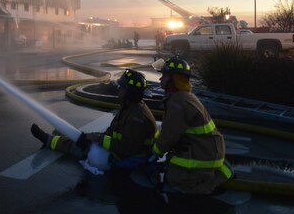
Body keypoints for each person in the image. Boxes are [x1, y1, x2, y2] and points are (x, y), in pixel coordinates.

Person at [31, 69, 157, 168]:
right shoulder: (131, 107)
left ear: (129, 92)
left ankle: (48, 140)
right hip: (123, 150)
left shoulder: (137, 118)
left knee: (80, 146)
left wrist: (98, 140)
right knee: (85, 138)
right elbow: (114, 132)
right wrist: (96, 137)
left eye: (122, 88)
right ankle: (65, 135)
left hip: (126, 158)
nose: (118, 90)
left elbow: (128, 149)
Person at [150, 57, 232, 194]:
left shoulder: (178, 102)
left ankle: (218, 177)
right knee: (170, 165)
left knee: (173, 179)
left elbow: (170, 136)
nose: (160, 79)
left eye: (164, 75)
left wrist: (154, 152)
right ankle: (215, 169)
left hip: (204, 155)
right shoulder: (183, 96)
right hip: (206, 149)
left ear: (173, 79)